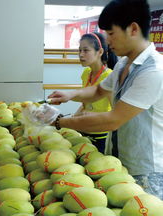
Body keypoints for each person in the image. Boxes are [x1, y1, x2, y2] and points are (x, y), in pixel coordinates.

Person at [46, 0, 163, 200]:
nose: (107, 41)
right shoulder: (123, 64)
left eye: (111, 33)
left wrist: (59, 122)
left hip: (145, 169)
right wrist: (70, 95)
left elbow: (113, 119)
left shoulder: (153, 71)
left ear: (133, 29)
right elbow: (99, 90)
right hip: (116, 160)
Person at [75, 32, 117, 153]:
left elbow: (116, 112)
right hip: (84, 129)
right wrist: (75, 117)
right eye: (79, 50)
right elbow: (85, 104)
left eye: (86, 50)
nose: (81, 55)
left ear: (100, 52)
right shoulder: (86, 73)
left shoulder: (109, 76)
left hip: (101, 134)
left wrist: (91, 116)